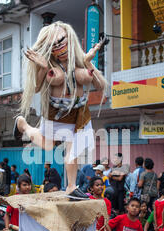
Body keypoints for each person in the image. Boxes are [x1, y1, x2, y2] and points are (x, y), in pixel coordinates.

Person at [14, 21, 108, 198]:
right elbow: (34, 88)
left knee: (73, 152)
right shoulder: (49, 65)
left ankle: (71, 187)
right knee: (48, 145)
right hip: (56, 112)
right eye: (54, 44)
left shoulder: (79, 61)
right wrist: (42, 67)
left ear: (69, 37)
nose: (59, 46)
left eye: (61, 40)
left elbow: (100, 84)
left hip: (78, 111)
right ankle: (23, 125)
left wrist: (88, 63)